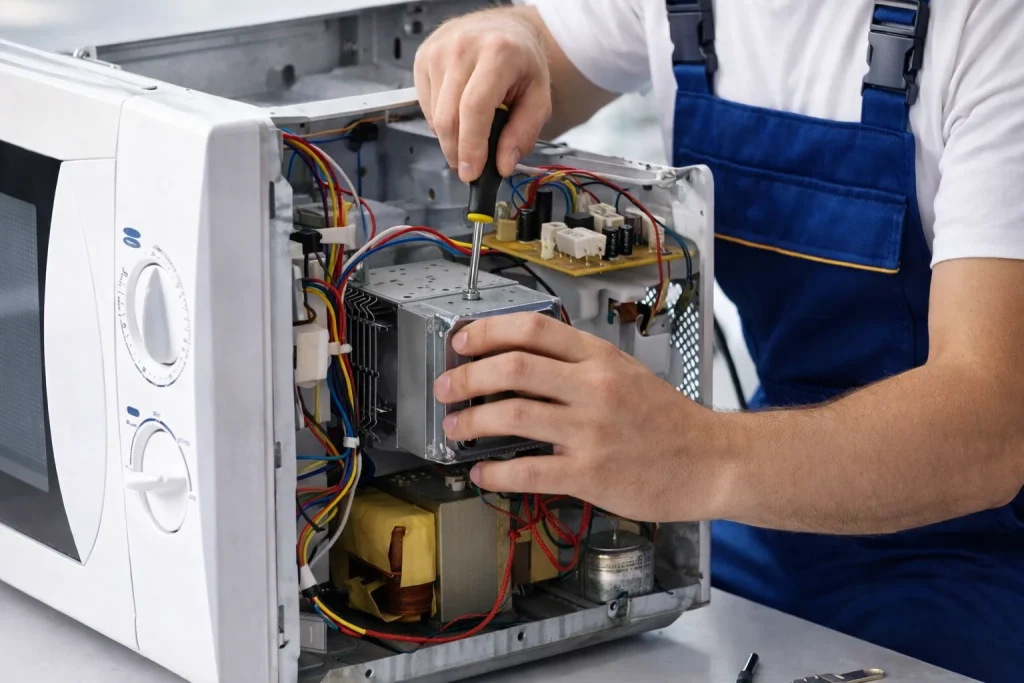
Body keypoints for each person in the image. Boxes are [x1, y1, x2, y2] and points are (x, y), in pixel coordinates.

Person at [414, 2, 1024, 680]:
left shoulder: (993, 24)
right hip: (778, 503)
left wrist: (697, 455)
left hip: (988, 546)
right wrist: (505, 39)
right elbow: (536, 57)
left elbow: (991, 426)